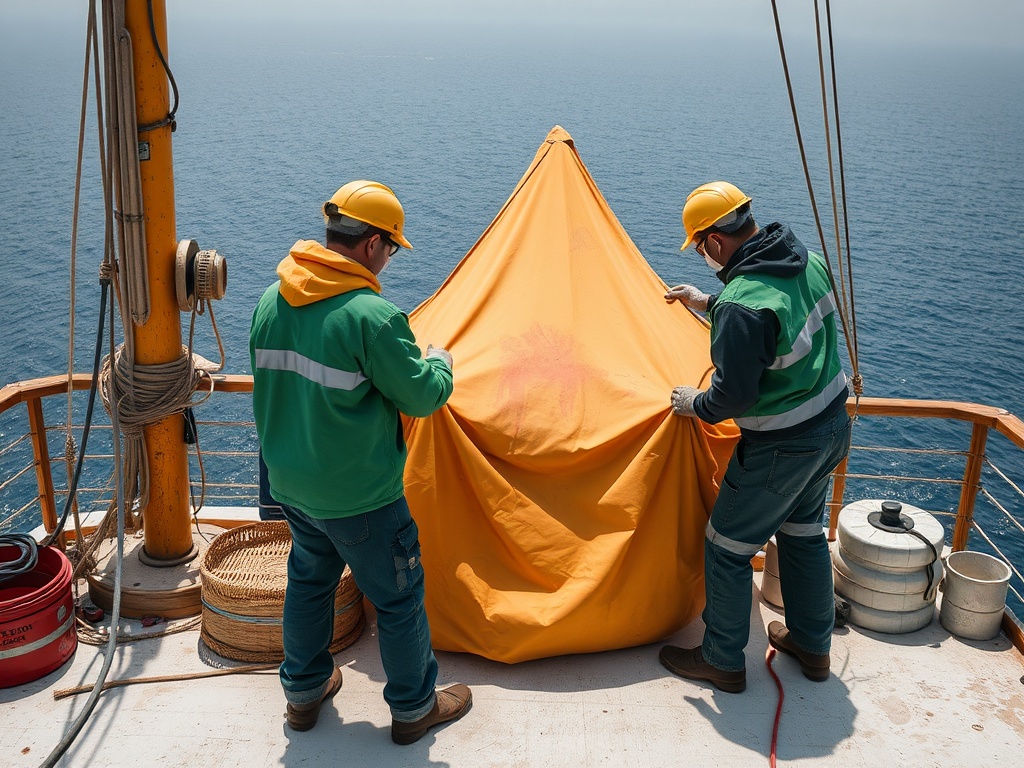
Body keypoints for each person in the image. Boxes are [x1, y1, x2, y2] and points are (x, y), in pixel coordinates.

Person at [250, 180, 472, 743]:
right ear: (372, 244)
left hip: (291, 484)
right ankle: (415, 708)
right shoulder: (371, 316)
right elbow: (421, 396)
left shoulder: (271, 300)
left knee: (309, 583)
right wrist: (440, 362)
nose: (390, 259)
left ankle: (303, 694)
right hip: (359, 496)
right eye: (392, 247)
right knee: (398, 599)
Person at [658, 181, 851, 693]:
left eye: (700, 248)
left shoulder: (742, 304)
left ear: (714, 243)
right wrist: (710, 303)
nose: (703, 256)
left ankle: (721, 659)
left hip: (781, 447)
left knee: (726, 547)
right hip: (832, 426)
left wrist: (692, 404)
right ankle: (812, 645)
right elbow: (777, 313)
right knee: (804, 534)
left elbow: (732, 397)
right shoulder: (803, 259)